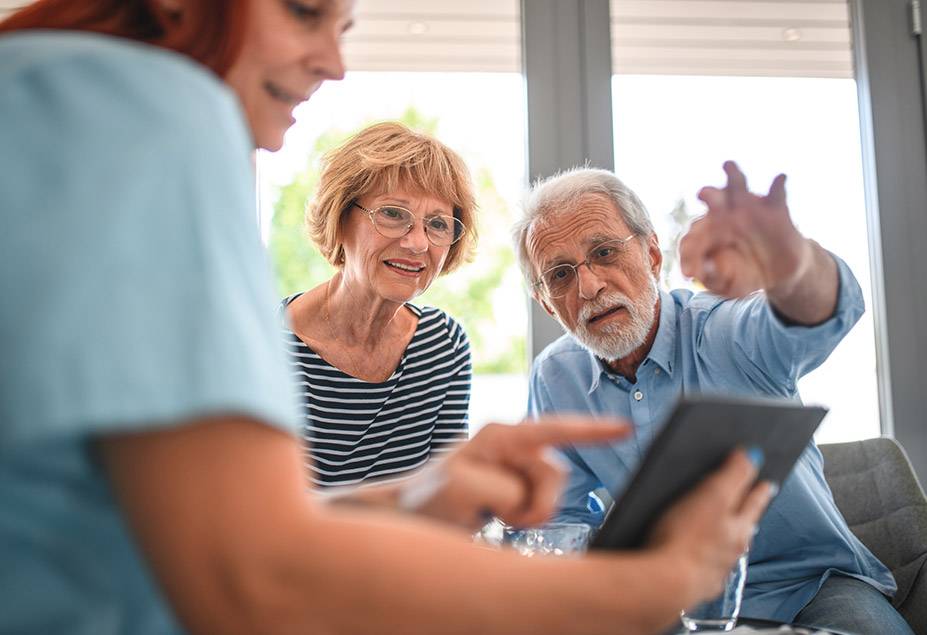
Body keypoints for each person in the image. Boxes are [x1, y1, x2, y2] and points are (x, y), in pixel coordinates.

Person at [0, 1, 773, 634]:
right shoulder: (158, 111)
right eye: (304, 13)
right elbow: (251, 572)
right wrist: (658, 583)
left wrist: (410, 497)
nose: (335, 63)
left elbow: (166, 524)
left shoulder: (53, 91)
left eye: (438, 224)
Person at [515, 165, 912, 634]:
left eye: (604, 252)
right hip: (666, 601)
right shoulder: (556, 376)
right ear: (545, 302)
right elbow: (559, 525)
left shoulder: (724, 330)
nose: (589, 287)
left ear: (652, 254)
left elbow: (819, 315)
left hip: (811, 587)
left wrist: (788, 260)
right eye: (560, 274)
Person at [282, 122, 474, 488]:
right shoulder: (266, 347)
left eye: (437, 224)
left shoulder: (443, 344)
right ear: (339, 219)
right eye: (393, 214)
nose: (417, 243)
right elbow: (259, 518)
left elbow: (448, 501)